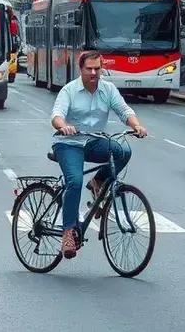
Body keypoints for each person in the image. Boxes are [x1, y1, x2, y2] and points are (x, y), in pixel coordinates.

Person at [50, 50, 148, 260]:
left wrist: (136, 125)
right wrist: (64, 126)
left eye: (97, 68)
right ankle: (68, 232)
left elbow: (124, 111)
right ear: (81, 69)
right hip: (69, 143)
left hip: (94, 141)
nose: (94, 73)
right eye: (89, 69)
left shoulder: (108, 89)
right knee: (75, 182)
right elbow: (56, 115)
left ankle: (98, 181)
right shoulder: (70, 90)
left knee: (123, 151)